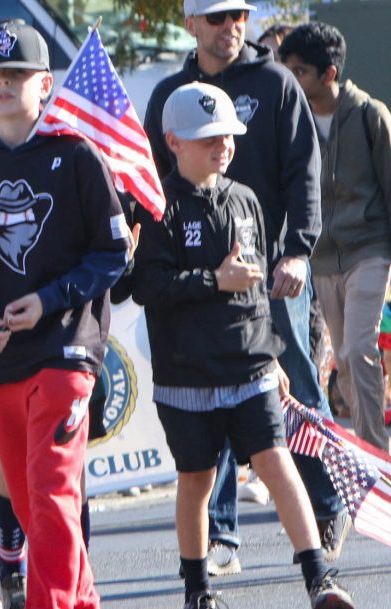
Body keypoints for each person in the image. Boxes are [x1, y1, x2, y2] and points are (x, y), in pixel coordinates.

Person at [0, 21, 130, 609]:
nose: (3, 84)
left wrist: (50, 297)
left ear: (45, 84)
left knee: (51, 490)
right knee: (25, 497)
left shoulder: (78, 153)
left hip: (67, 350)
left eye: (16, 75)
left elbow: (113, 251)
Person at [131, 81, 355, 609]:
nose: (221, 146)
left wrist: (273, 354)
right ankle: (197, 589)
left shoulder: (248, 200)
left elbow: (255, 289)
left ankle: (319, 579)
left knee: (276, 460)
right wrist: (212, 279)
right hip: (187, 375)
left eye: (227, 135)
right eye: (207, 137)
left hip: (250, 365)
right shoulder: (156, 206)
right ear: (173, 142)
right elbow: (147, 287)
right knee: (197, 480)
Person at [279, 22, 391, 453]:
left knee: (360, 346)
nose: (292, 79)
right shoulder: (293, 119)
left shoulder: (369, 115)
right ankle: (369, 454)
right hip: (322, 257)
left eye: (300, 71)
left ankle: (374, 458)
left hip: (371, 247)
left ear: (329, 74)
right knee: (342, 359)